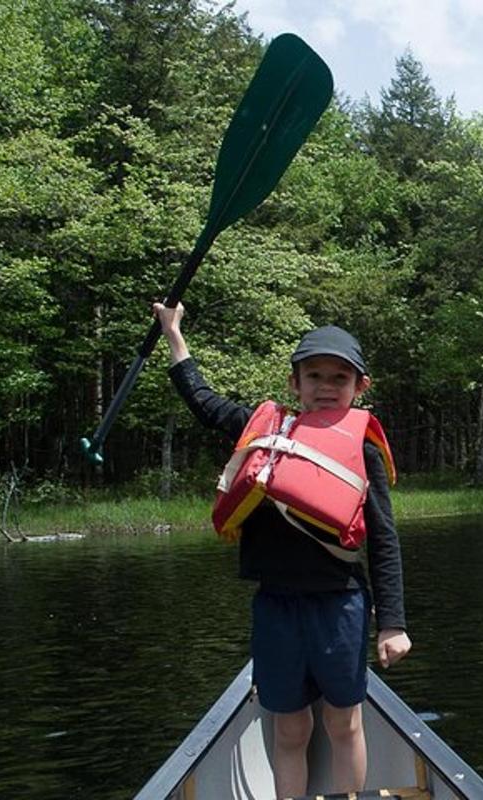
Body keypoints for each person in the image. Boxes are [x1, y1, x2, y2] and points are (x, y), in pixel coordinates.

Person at [154, 302, 411, 798]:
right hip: (276, 606)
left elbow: (383, 538)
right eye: (313, 375)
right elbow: (203, 400)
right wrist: (173, 334)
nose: (326, 385)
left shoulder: (365, 451)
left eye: (340, 377)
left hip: (340, 604)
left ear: (361, 388)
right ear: (294, 384)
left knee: (344, 724)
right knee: (290, 729)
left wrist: (394, 623)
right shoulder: (265, 433)